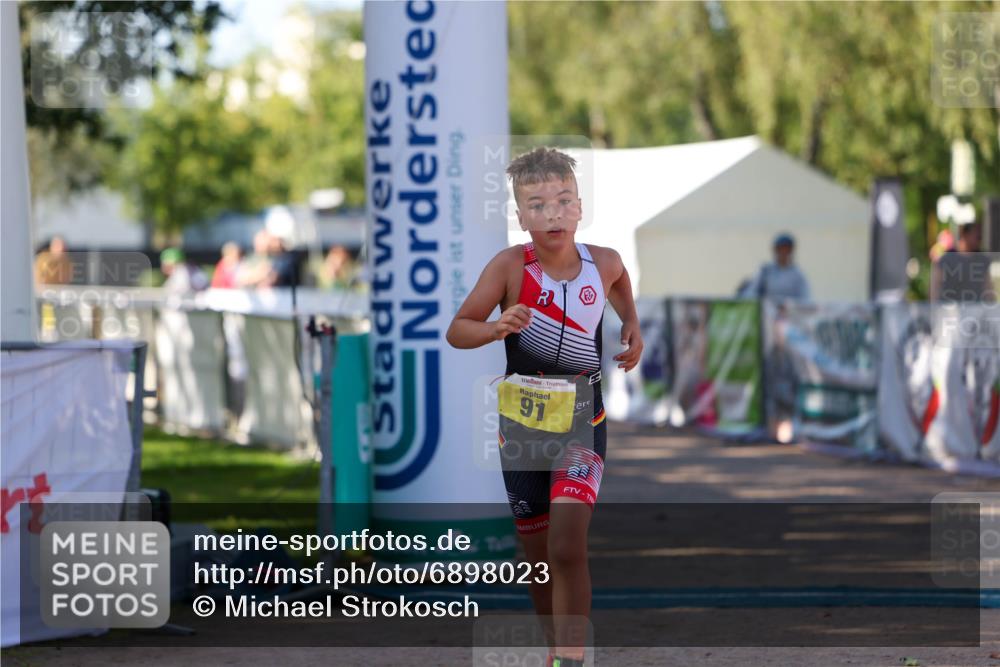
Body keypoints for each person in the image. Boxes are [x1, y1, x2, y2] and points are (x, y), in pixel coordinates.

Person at [446, 147, 643, 667]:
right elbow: (457, 329)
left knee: (567, 547)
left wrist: (632, 325)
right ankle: (555, 650)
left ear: (580, 206)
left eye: (562, 201)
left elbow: (620, 282)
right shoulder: (510, 267)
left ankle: (570, 661)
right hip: (523, 425)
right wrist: (493, 328)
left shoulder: (603, 261)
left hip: (583, 418)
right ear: (520, 216)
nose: (552, 214)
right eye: (537, 205)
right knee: (537, 558)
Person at [932, 221, 994, 302]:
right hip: (950, 310)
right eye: (976, 236)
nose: (979, 239)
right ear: (965, 235)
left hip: (976, 310)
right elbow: (935, 286)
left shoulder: (983, 260)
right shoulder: (946, 259)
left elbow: (988, 286)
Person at [738, 233, 811, 301]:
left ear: (791, 251)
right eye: (780, 249)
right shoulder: (765, 270)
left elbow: (805, 297)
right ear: (775, 250)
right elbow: (752, 291)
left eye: (787, 249)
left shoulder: (797, 275)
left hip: (788, 311)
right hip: (767, 310)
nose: (783, 252)